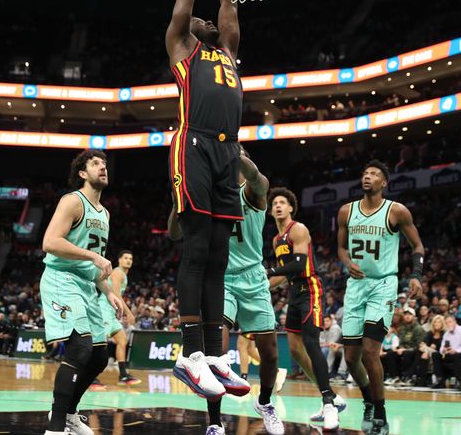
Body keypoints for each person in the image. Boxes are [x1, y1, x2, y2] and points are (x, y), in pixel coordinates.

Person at [166, 0, 245, 405]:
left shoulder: (230, 50)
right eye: (196, 21)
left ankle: (215, 352)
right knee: (196, 250)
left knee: (220, 256)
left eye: (205, 20)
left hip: (227, 151)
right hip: (193, 144)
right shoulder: (182, 46)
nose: (201, 19)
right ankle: (190, 352)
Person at [168, 150, 279, 434]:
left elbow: (258, 178)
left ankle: (265, 402)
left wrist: (234, 151)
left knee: (270, 353)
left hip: (253, 276)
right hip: (221, 278)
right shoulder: (208, 197)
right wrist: (177, 202)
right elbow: (174, 234)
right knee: (216, 350)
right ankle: (215, 423)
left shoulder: (252, 193)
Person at [40, 150, 126, 435]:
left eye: (104, 163)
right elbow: (50, 242)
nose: (103, 167)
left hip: (88, 285)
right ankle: (54, 428)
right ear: (82, 173)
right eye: (95, 164)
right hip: (61, 279)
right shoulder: (72, 201)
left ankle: (69, 414)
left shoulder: (105, 214)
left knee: (100, 356)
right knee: (80, 347)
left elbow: (96, 261)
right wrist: (92, 258)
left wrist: (109, 291)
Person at [337, 160, 424, 435]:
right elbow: (340, 248)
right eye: (364, 173)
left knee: (371, 351)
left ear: (384, 182)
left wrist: (416, 275)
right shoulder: (346, 212)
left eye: (374, 174)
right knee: (351, 358)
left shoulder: (396, 211)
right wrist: (346, 262)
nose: (368, 176)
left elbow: (417, 245)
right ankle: (368, 403)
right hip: (356, 286)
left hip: (383, 285)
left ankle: (381, 414)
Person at [268, 187, 342, 431]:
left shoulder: (297, 229)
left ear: (291, 208)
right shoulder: (276, 240)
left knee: (311, 344)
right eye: (274, 203)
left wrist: (269, 271)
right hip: (294, 293)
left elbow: (298, 264)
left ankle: (329, 404)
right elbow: (282, 274)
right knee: (295, 350)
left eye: (282, 202)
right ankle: (329, 394)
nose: (278, 206)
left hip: (311, 289)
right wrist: (261, 288)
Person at [97, 249, 141, 385]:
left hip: (110, 311)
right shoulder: (118, 273)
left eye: (131, 259)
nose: (128, 260)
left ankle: (123, 375)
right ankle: (90, 376)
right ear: (119, 260)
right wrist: (128, 312)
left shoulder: (123, 275)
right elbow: (115, 293)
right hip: (103, 310)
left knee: (122, 340)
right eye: (126, 258)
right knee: (99, 343)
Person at [432, 315, 461, 388]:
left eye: (450, 322)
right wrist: (443, 350)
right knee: (435, 354)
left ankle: (458, 381)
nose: (448, 324)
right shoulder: (446, 334)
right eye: (446, 323)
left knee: (457, 355)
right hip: (451, 354)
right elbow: (441, 348)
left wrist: (456, 351)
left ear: (455, 322)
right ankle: (440, 379)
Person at [386, 307, 425, 385]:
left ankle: (408, 377)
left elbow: (418, 345)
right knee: (390, 353)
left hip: (415, 351)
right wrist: (398, 348)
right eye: (406, 314)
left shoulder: (419, 328)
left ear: (414, 316)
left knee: (407, 354)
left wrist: (405, 349)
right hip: (403, 350)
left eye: (410, 314)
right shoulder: (402, 328)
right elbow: (400, 342)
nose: (407, 316)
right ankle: (395, 377)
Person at [417, 314, 445, 386]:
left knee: (427, 353)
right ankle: (421, 378)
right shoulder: (429, 333)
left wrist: (427, 350)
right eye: (435, 322)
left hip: (440, 355)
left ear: (442, 324)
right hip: (429, 354)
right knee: (420, 352)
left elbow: (442, 349)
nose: (436, 324)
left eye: (439, 322)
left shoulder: (444, 334)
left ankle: (422, 379)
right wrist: (428, 349)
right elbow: (422, 344)